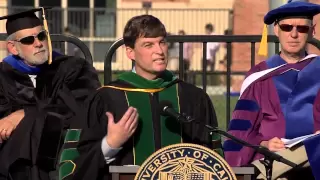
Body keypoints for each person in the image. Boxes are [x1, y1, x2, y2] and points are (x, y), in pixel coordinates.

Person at [62, 14, 223, 180]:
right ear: (130, 52)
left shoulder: (193, 98)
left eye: (162, 42)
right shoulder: (106, 98)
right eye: (148, 45)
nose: (159, 51)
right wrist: (110, 144)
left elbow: (213, 158)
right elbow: (73, 165)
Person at [0, 7, 101, 180]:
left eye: (41, 36)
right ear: (13, 48)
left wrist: (25, 114)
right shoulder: (3, 76)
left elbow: (82, 108)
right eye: (28, 40)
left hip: (62, 151)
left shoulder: (73, 68)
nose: (38, 43)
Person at [224, 1, 320, 179]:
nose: (293, 34)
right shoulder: (259, 76)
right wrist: (264, 143)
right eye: (286, 27)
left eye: (302, 28)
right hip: (272, 164)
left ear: (312, 31)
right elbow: (241, 132)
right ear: (276, 30)